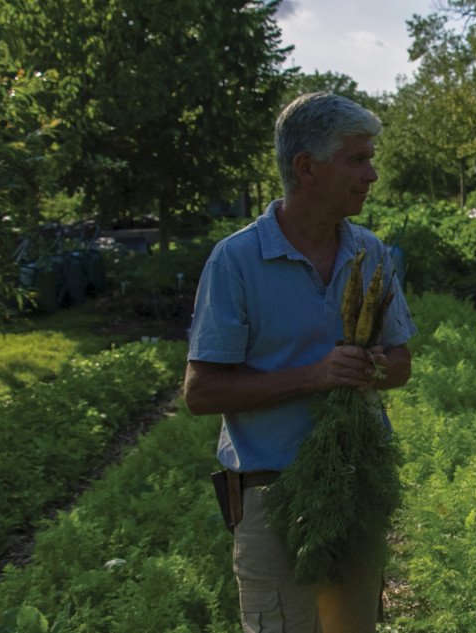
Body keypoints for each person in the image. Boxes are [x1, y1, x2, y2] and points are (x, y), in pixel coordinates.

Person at [184, 92, 417, 633]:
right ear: (306, 168)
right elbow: (201, 393)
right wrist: (313, 376)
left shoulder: (371, 253)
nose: (372, 174)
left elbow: (401, 364)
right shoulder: (236, 261)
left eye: (370, 158)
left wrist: (370, 368)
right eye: (357, 159)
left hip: (356, 484)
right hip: (272, 497)